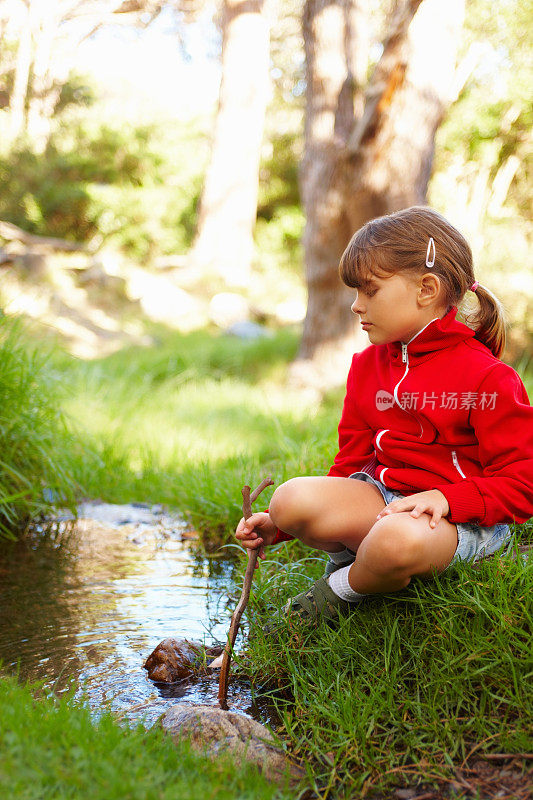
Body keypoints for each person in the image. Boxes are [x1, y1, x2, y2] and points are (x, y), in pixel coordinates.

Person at [235, 206, 533, 622]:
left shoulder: (488, 378)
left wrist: (446, 498)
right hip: (386, 502)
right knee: (289, 500)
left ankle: (342, 588)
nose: (356, 306)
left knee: (393, 541)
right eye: (355, 292)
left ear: (426, 289)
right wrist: (279, 528)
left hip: (459, 523)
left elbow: (523, 482)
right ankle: (370, 560)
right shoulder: (367, 366)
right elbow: (352, 462)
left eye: (370, 291)